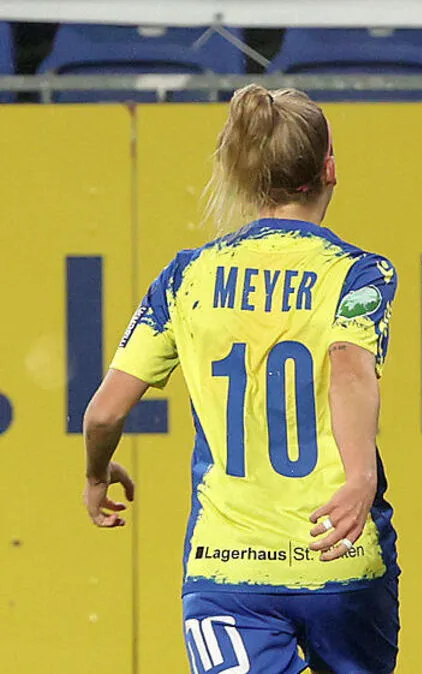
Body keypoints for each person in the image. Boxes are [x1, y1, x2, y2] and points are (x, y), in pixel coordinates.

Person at [81, 85, 399, 674]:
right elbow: (350, 369)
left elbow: (104, 412)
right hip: (340, 552)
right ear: (329, 168)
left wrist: (97, 473)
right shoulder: (359, 273)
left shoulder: (186, 277)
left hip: (228, 568)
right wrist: (360, 477)